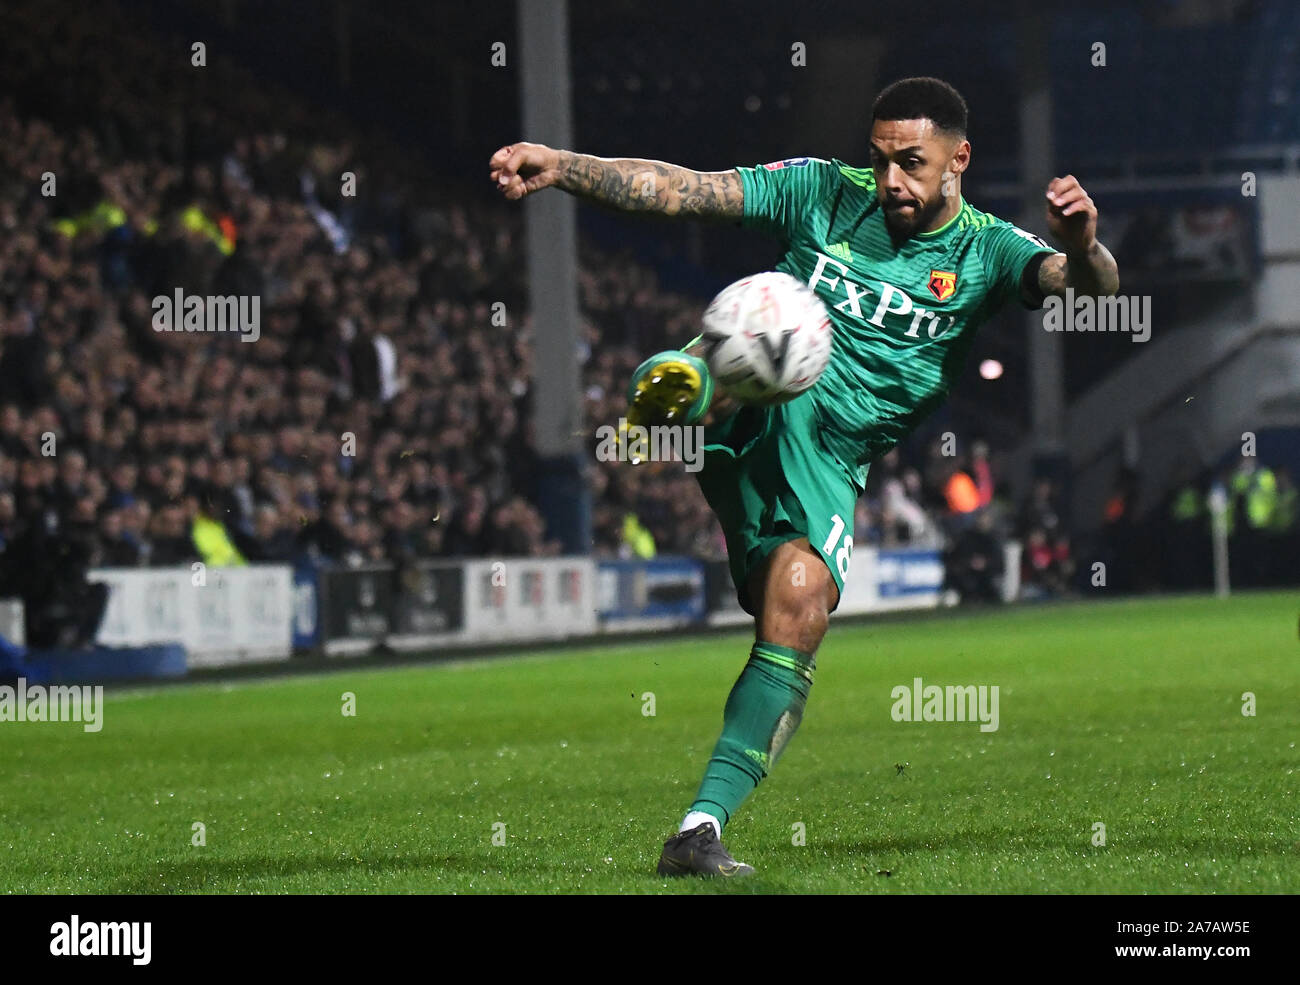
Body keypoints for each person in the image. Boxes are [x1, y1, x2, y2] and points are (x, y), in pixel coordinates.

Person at [490, 76, 1119, 877]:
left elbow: (1093, 288)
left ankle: (697, 828)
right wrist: (563, 165)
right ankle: (692, 379)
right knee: (765, 344)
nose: (891, 179)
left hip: (832, 458)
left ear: (959, 159)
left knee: (798, 604)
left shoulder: (989, 251)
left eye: (912, 163)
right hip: (774, 404)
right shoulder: (824, 190)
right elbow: (687, 190)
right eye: (881, 158)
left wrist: (1082, 243)